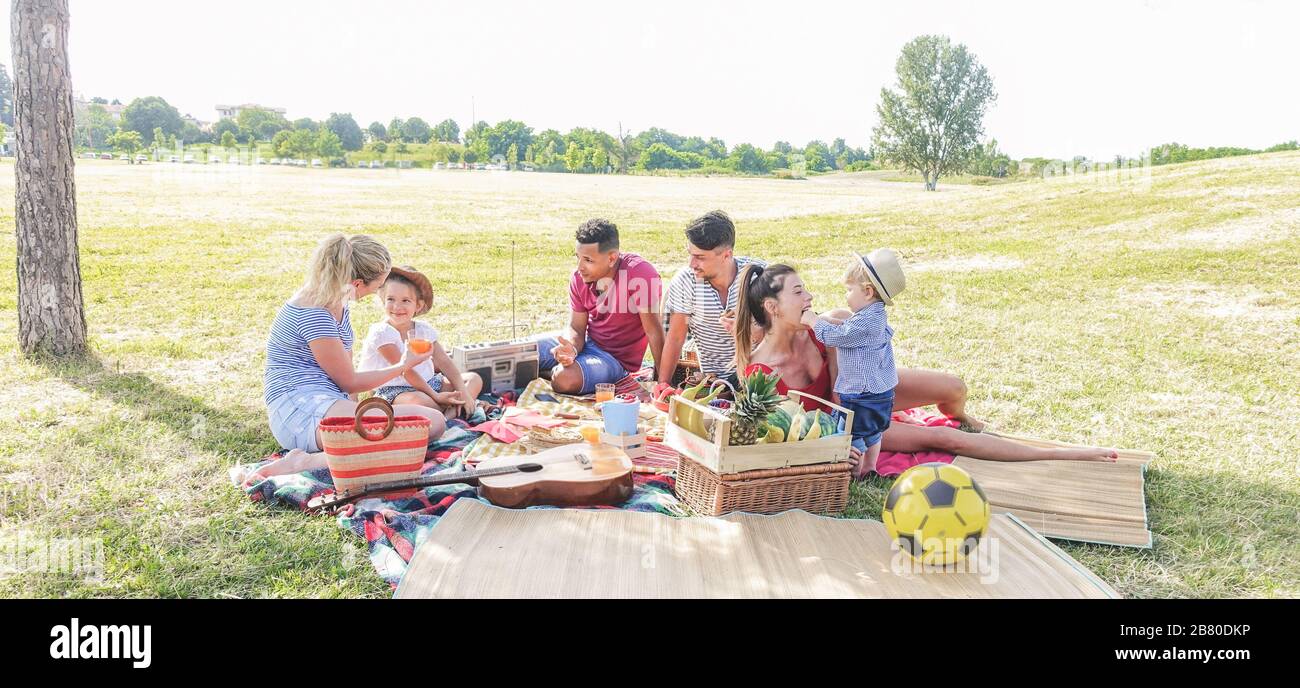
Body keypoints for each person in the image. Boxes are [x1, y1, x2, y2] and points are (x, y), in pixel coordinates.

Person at [733, 263, 1117, 477]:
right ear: (772, 307)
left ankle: (962, 416)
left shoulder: (828, 324)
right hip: (849, 421)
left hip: (868, 391)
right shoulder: (763, 371)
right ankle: (1069, 455)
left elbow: (857, 351)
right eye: (798, 292)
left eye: (806, 289)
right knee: (949, 441)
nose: (810, 297)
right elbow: (782, 437)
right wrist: (839, 451)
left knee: (952, 386)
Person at [263, 234, 446, 454]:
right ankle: (308, 461)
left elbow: (347, 379)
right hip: (300, 412)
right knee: (427, 424)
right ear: (357, 284)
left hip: (330, 401)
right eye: (378, 286)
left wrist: (357, 410)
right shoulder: (314, 314)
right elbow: (350, 381)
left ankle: (331, 455)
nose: (378, 292)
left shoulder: (338, 298)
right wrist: (403, 365)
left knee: (430, 422)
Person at [801, 250, 905, 478]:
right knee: (875, 432)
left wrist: (813, 321)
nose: (846, 296)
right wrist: (833, 321)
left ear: (868, 292)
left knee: (852, 434)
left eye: (849, 290)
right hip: (882, 391)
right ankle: (871, 466)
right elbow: (851, 331)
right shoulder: (874, 315)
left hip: (861, 393)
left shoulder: (864, 324)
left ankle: (853, 472)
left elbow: (836, 337)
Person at [537, 218, 665, 394]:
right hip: (586, 343)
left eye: (588, 260)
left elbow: (654, 331)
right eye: (578, 258)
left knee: (563, 380)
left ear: (612, 258)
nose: (580, 267)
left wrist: (663, 382)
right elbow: (576, 327)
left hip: (613, 359)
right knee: (517, 353)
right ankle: (551, 369)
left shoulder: (640, 274)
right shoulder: (579, 278)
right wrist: (571, 348)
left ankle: (551, 372)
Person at [356, 265, 483, 419]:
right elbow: (405, 370)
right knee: (418, 401)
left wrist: (463, 392)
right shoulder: (382, 333)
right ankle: (450, 412)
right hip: (396, 391)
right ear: (382, 300)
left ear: (418, 305)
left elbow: (444, 362)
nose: (397, 306)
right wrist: (435, 396)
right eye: (391, 299)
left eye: (405, 300)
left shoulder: (424, 330)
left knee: (473, 379)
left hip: (430, 383)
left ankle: (449, 411)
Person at [659, 210, 766, 386]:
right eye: (690, 254)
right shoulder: (686, 280)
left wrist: (745, 328)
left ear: (726, 255)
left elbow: (780, 333)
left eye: (700, 257)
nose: (691, 264)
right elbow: (676, 337)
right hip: (713, 382)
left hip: (759, 377)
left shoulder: (758, 274)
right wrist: (663, 384)